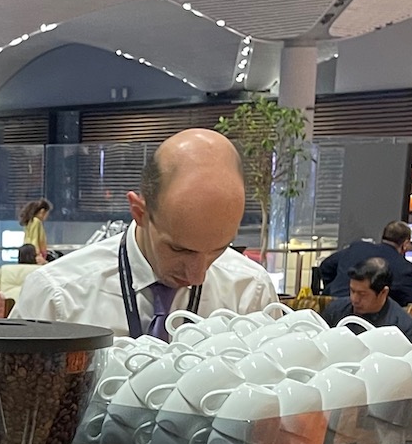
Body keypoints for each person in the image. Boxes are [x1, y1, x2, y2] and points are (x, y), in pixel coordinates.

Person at [14, 129, 273, 336]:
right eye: (180, 249)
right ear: (139, 212)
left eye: (219, 249)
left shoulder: (250, 293)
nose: (197, 275)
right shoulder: (57, 297)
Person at [314, 222, 412, 305]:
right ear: (405, 244)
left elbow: (325, 266)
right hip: (370, 318)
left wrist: (334, 287)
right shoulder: (406, 269)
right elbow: (407, 306)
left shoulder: (357, 247)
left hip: (330, 307)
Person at [324, 259, 412, 341]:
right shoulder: (335, 310)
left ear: (383, 292)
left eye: (362, 294)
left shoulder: (401, 326)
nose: (354, 299)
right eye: (352, 291)